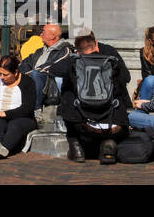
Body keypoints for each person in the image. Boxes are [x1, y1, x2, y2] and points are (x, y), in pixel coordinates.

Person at [48, 31, 132, 163]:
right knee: (118, 87)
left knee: (67, 89)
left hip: (82, 122)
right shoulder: (111, 61)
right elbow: (127, 77)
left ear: (78, 50)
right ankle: (108, 143)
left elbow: (53, 70)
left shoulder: (74, 63)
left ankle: (76, 147)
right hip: (115, 124)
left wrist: (73, 58)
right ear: (96, 45)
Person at [0, 53, 38, 161]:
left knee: (15, 125)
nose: (2, 77)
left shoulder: (28, 82)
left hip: (22, 117)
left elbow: (28, 108)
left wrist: (6, 113)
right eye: (0, 73)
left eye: (6, 75)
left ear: (15, 72)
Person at [18, 23, 71, 106]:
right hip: (33, 77)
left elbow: (53, 66)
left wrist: (31, 73)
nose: (41, 34)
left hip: (50, 82)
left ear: (52, 36)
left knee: (36, 74)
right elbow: (26, 62)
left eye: (44, 32)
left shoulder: (64, 50)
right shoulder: (40, 50)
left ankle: (36, 109)